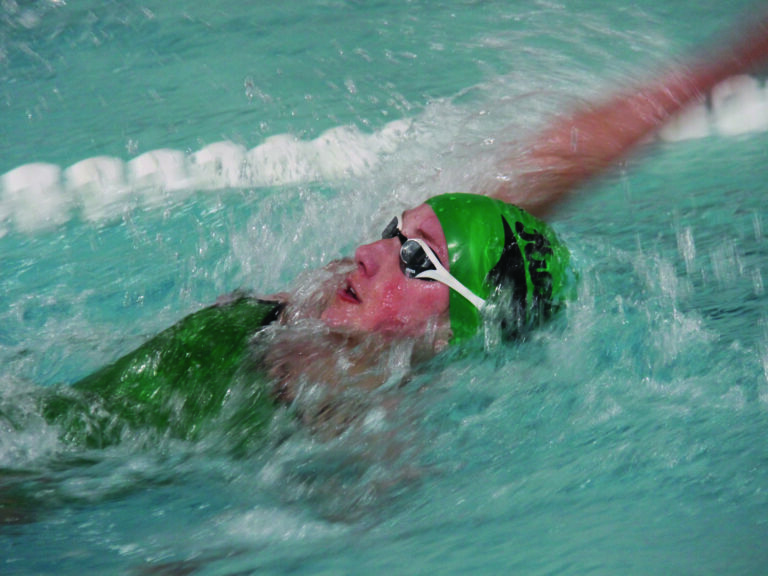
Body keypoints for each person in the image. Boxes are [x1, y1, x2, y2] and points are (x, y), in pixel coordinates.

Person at [42, 11, 768, 447]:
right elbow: (559, 159)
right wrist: (723, 65)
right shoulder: (340, 312)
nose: (368, 253)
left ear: (457, 329)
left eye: (415, 259)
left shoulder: (357, 414)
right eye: (395, 231)